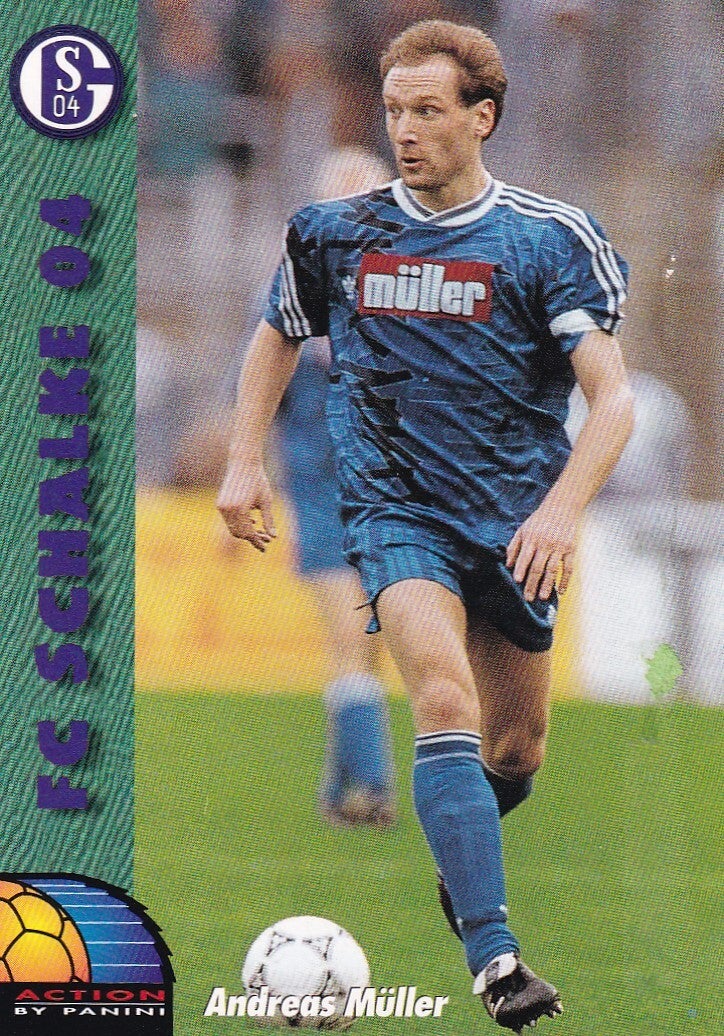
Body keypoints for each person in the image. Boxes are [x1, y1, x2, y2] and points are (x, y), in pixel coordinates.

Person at [218, 19, 633, 1032]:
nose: (405, 129)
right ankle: (496, 960)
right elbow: (277, 332)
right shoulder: (335, 234)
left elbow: (612, 399)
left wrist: (559, 512)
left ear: (481, 117)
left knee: (516, 750)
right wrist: (242, 458)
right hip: (395, 511)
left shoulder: (548, 239)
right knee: (441, 697)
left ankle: (464, 848)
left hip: (517, 521)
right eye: (394, 109)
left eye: (429, 111)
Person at [276, 148, 397, 826]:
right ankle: (374, 788)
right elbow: (257, 397)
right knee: (353, 636)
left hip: (389, 499)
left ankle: (336, 791)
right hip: (322, 498)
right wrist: (247, 477)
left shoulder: (407, 295)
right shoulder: (293, 293)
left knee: (363, 646)